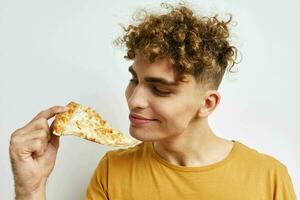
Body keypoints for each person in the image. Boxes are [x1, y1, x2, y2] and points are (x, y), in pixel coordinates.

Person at [9, 3, 296, 200]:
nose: (135, 100)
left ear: (207, 103)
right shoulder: (113, 171)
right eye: (135, 80)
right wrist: (31, 189)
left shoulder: (268, 178)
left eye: (160, 90)